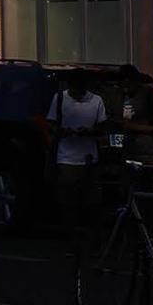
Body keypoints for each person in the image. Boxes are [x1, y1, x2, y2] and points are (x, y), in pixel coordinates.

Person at [47, 69, 108, 225]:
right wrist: (62, 131)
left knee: (90, 202)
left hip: (89, 158)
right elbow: (51, 124)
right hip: (66, 158)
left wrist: (90, 132)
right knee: (68, 202)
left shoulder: (96, 101)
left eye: (79, 90)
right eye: (73, 90)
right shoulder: (60, 98)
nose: (76, 94)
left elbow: (102, 127)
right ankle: (71, 235)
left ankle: (88, 235)